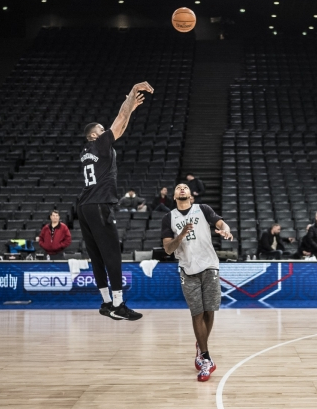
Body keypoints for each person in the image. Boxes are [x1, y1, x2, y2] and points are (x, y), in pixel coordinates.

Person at [77, 81, 154, 321]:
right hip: (100, 204)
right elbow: (119, 121)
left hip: (85, 206)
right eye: (101, 129)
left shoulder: (87, 151)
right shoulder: (98, 143)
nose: (106, 131)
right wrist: (131, 93)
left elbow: (120, 125)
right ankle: (119, 304)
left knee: (96, 257)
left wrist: (130, 108)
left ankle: (106, 303)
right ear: (93, 135)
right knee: (112, 255)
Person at [161, 183, 233, 382]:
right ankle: (206, 357)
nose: (182, 189)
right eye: (178, 188)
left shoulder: (203, 210)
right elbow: (168, 249)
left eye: (185, 187)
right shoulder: (169, 218)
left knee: (209, 311)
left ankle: (201, 348)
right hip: (187, 268)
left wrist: (225, 230)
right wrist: (182, 234)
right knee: (197, 312)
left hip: (210, 265)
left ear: (191, 195)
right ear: (174, 196)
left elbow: (220, 223)